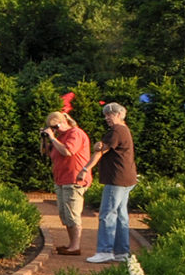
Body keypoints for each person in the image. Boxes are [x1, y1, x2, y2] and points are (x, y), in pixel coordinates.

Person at [87, 102, 137, 263]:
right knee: (121, 215)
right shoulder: (124, 129)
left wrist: (85, 169)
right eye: (106, 114)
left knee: (107, 214)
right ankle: (122, 252)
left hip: (117, 178)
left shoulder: (116, 130)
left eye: (109, 114)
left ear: (118, 114)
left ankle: (105, 250)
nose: (106, 117)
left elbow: (101, 151)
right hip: (127, 178)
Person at [39, 111, 92, 256]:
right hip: (62, 179)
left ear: (62, 122)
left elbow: (68, 151)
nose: (54, 131)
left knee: (72, 213)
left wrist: (53, 138)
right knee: (65, 214)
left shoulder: (76, 133)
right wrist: (45, 139)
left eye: (54, 127)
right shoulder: (60, 137)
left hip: (74, 179)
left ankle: (75, 246)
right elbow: (46, 154)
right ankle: (71, 244)